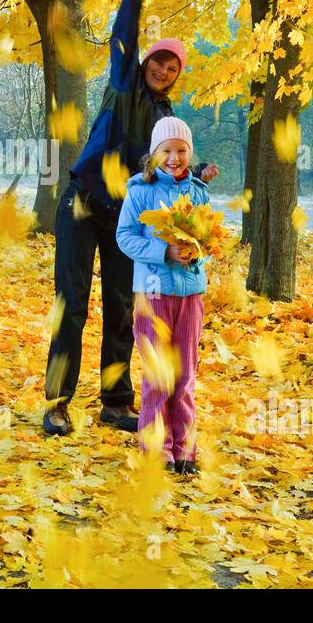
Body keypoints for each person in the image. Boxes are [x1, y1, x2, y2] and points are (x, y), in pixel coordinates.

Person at [42, 0, 218, 437]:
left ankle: (116, 402)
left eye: (172, 67)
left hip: (126, 217)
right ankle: (57, 404)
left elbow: (169, 165)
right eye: (158, 61)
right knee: (72, 305)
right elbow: (124, 34)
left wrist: (196, 172)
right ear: (145, 64)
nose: (162, 69)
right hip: (83, 202)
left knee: (122, 308)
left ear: (177, 76)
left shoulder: (166, 119)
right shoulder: (123, 85)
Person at [115, 117, 208, 474]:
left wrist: (198, 251)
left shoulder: (198, 191)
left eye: (181, 150)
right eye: (166, 150)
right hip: (152, 292)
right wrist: (162, 251)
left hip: (189, 293)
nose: (174, 157)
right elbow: (125, 237)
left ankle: (185, 446)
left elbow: (209, 237)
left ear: (189, 153)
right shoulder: (139, 190)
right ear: (154, 154)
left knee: (184, 375)